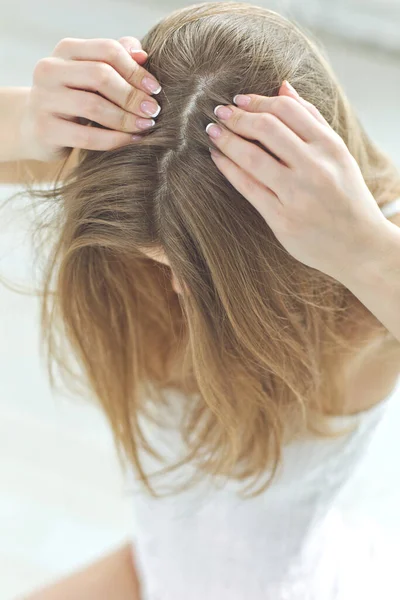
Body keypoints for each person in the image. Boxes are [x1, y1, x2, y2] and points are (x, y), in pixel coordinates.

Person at [2, 2, 400, 599]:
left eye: (208, 275)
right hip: (157, 565)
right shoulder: (147, 195)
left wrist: (367, 250)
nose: (178, 290)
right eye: (155, 263)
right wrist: (25, 119)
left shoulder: (361, 294)